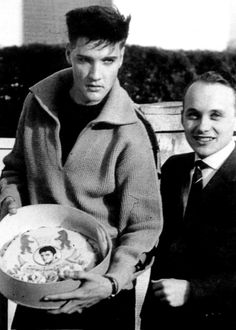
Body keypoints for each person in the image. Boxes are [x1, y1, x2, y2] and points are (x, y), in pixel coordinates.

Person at [0, 5, 163, 330]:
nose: (95, 74)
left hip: (98, 293)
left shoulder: (132, 132)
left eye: (108, 61)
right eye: (85, 59)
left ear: (122, 57)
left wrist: (114, 281)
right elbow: (14, 170)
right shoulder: (36, 103)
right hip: (38, 280)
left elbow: (144, 228)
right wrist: (10, 198)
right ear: (68, 53)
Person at [141, 71, 236, 330]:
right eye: (193, 114)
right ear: (182, 117)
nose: (202, 126)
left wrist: (195, 290)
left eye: (216, 115)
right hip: (161, 320)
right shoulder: (175, 168)